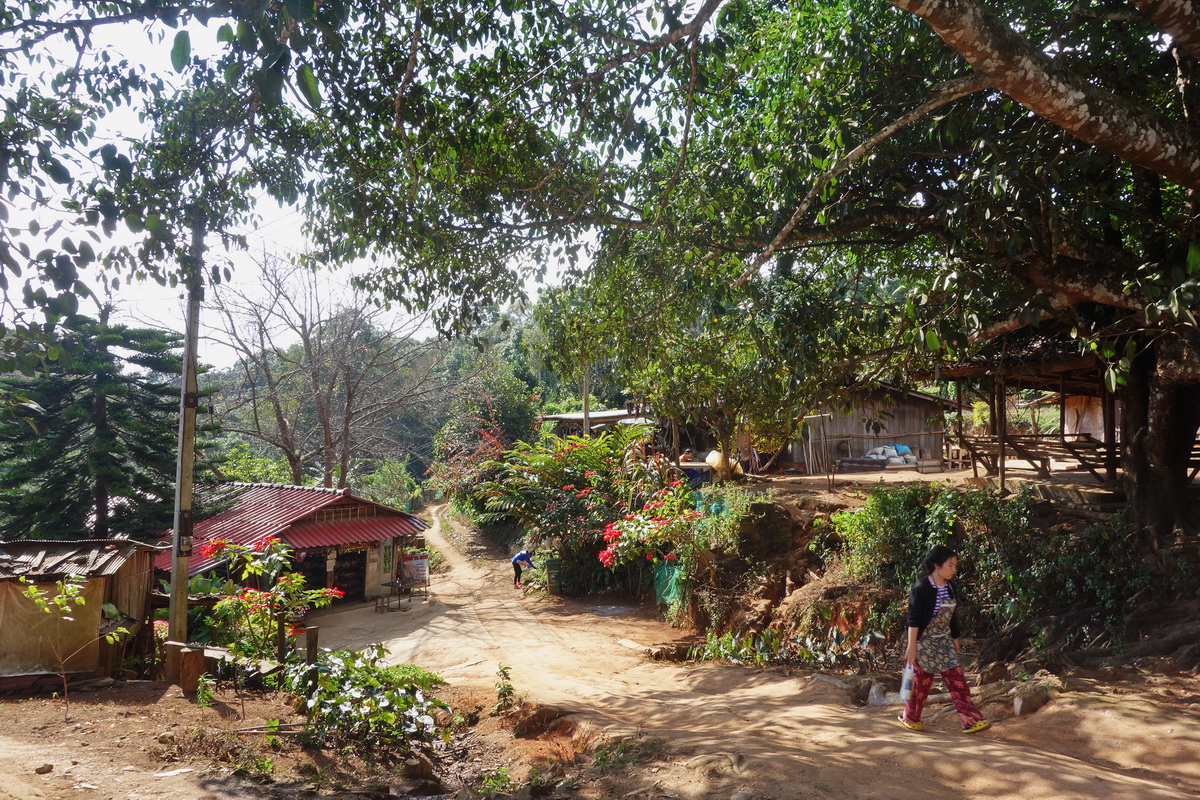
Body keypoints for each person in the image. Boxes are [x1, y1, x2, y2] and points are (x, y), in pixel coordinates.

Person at [898, 544, 992, 734]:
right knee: (920, 685)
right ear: (936, 565)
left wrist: (955, 638)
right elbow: (913, 619)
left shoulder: (949, 586)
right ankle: (910, 717)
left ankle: (971, 721)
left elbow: (953, 615)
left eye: (955, 565)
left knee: (957, 680)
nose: (954, 570)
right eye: (950, 565)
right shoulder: (921, 587)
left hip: (944, 642)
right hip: (923, 643)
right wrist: (912, 646)